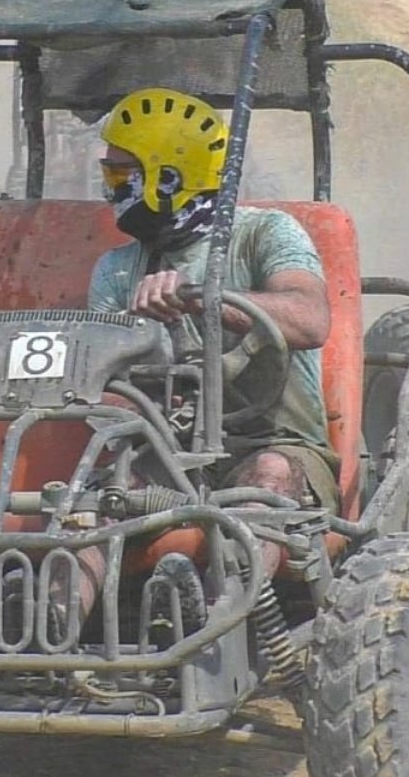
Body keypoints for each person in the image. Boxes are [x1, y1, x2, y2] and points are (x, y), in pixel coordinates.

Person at [88, 86, 338, 520]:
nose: (110, 188)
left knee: (269, 477)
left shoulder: (267, 233)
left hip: (277, 444)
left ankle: (243, 586)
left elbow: (310, 321)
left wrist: (203, 299)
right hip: (166, 454)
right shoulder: (117, 269)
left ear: (168, 176)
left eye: (119, 172)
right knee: (104, 500)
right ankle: (56, 589)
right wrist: (132, 332)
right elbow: (99, 394)